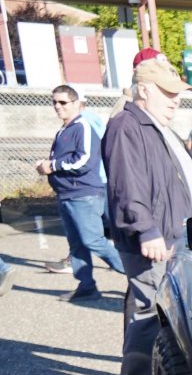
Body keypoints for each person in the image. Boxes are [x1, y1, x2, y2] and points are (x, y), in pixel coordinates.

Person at [99, 59, 192, 375]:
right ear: (144, 89)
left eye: (178, 94)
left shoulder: (149, 124)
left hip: (169, 237)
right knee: (149, 317)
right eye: (168, 93)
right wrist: (146, 230)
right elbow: (126, 186)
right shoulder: (127, 125)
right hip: (152, 241)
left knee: (159, 316)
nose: (175, 101)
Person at [35, 85, 125, 303]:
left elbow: (84, 160)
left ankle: (139, 276)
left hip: (83, 194)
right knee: (77, 243)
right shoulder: (64, 129)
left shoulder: (82, 125)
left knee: (93, 240)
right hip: (66, 194)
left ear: (76, 103)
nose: (58, 106)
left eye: (63, 102)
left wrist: (52, 166)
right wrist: (46, 166)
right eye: (54, 102)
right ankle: (86, 287)